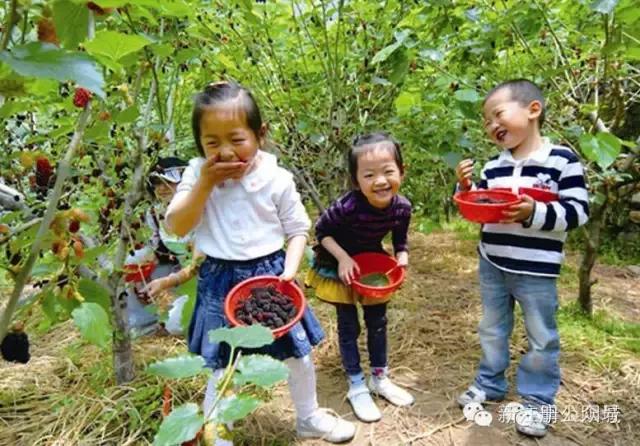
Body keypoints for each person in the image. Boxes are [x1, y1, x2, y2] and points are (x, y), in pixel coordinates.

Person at [165, 81, 355, 444]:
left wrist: (289, 269)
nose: (224, 152)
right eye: (212, 143)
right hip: (219, 279)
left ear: (259, 135)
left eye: (236, 140)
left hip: (271, 276)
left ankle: (309, 416)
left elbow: (298, 228)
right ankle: (216, 429)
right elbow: (176, 225)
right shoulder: (196, 174)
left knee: (297, 354)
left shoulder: (275, 178)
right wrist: (204, 184)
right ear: (200, 145)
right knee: (222, 362)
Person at [454, 79, 589, 438]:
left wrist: (532, 211)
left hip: (536, 269)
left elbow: (576, 212)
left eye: (497, 114)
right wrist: (466, 189)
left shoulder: (561, 161)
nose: (491, 125)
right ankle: (490, 382)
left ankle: (537, 401)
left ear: (533, 110)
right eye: (486, 121)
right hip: (493, 261)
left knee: (542, 336)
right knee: (492, 328)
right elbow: (478, 207)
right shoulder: (493, 167)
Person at [305, 132, 414, 423]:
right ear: (356, 181)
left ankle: (379, 377)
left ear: (401, 172)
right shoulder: (347, 207)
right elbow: (322, 232)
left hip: (371, 263)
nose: (380, 181)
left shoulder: (402, 208)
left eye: (388, 171)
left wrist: (402, 257)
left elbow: (400, 242)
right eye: (369, 175)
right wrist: (342, 258)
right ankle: (356, 382)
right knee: (348, 324)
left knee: (378, 321)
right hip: (338, 261)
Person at [126, 157, 192, 337]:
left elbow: (201, 260)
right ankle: (144, 325)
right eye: (156, 183)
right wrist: (139, 271)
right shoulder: (155, 213)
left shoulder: (196, 209)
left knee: (176, 324)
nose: (161, 188)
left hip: (198, 273)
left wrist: (168, 281)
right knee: (131, 262)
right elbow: (158, 248)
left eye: (167, 182)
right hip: (176, 265)